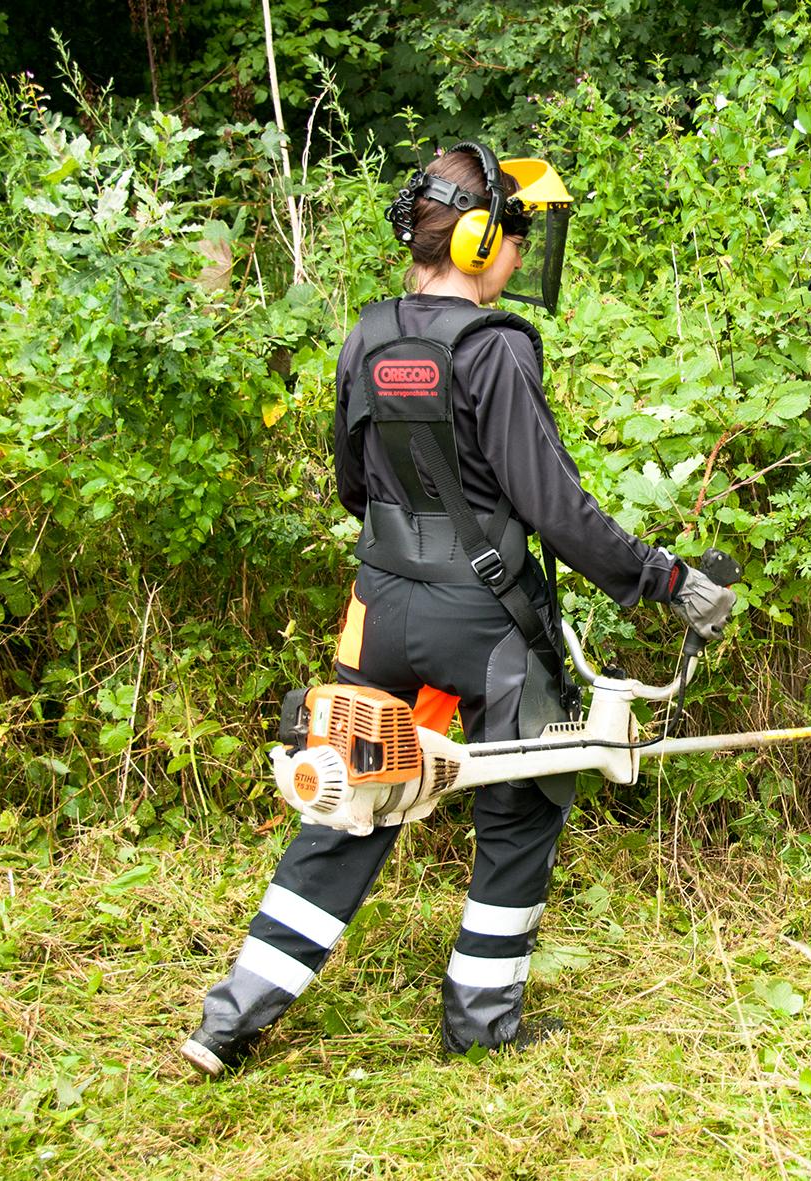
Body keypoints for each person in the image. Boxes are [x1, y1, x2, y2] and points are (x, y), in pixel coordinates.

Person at [180, 141, 736, 1075]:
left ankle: (230, 1019)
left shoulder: (367, 337)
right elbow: (557, 509)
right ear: (482, 241)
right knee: (521, 803)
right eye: (517, 238)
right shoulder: (494, 350)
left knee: (348, 794)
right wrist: (668, 580)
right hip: (485, 625)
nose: (521, 256)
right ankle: (480, 1021)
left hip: (378, 608)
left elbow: (354, 485)